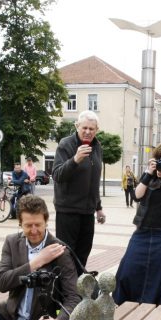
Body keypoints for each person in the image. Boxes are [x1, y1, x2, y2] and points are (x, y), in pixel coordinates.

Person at [113, 142, 161, 305]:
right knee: (126, 271)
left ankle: (149, 309)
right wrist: (148, 173)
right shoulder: (149, 175)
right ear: (156, 159)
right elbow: (136, 197)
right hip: (142, 232)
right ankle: (121, 306)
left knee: (156, 278)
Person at [52, 110, 105, 270]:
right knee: (66, 255)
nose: (88, 132)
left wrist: (99, 208)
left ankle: (77, 289)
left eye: (92, 129)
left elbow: (93, 181)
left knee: (83, 253)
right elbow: (57, 174)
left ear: (97, 130)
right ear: (77, 127)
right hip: (67, 210)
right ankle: (64, 292)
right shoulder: (65, 145)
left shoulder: (97, 147)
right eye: (85, 128)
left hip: (87, 212)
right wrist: (75, 160)